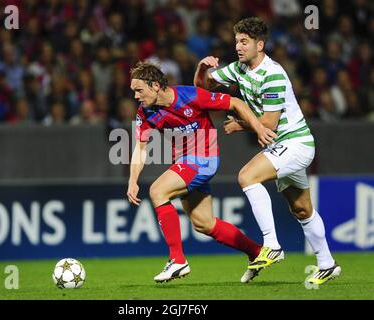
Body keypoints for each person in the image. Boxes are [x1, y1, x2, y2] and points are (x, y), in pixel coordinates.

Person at [194, 17, 341, 285]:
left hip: (296, 143)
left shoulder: (272, 74)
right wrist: (201, 68)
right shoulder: (239, 69)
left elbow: (269, 125)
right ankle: (327, 263)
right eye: (237, 41)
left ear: (260, 44)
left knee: (247, 176)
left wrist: (240, 124)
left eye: (244, 42)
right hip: (281, 146)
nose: (238, 46)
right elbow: (202, 90)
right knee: (301, 209)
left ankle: (271, 245)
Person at [127, 61, 277, 283]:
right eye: (134, 92)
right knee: (204, 224)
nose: (136, 96)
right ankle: (257, 252)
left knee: (158, 191)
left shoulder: (190, 96)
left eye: (139, 90)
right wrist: (132, 181)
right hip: (186, 163)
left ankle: (177, 260)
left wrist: (259, 128)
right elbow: (140, 147)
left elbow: (234, 102)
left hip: (204, 159)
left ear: (155, 85)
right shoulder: (146, 112)